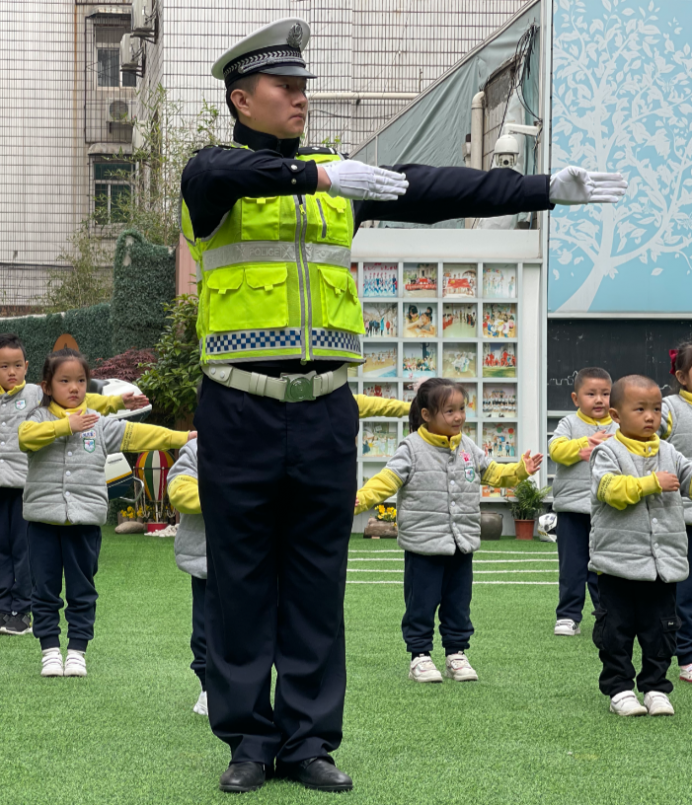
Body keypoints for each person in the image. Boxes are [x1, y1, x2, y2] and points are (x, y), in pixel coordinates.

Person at [180, 16, 625, 793]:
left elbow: (439, 188)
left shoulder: (335, 185)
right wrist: (319, 178)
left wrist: (544, 189)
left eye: (304, 88)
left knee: (318, 579)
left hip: (322, 409)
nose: (301, 100)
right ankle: (249, 742)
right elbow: (217, 174)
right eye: (285, 88)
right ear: (241, 97)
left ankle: (309, 740)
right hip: (239, 409)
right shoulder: (215, 180)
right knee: (242, 580)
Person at [167, 394, 412, 717]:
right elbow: (179, 490)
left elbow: (361, 402)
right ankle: (208, 686)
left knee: (272, 624)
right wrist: (224, 495)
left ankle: (284, 702)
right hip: (208, 563)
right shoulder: (197, 450)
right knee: (209, 630)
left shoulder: (273, 443)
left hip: (264, 558)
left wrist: (411, 406)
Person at [0, 333, 148, 637]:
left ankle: (21, 612)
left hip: (26, 489)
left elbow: (83, 399)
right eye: (4, 366)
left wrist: (116, 402)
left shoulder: (34, 396)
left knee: (22, 551)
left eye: (17, 365)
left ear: (27, 366)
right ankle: (0, 610)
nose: (11, 372)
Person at [17, 348, 194, 679]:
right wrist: (64, 426)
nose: (74, 388)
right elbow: (25, 438)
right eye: (65, 381)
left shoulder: (98, 424)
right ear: (47, 386)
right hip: (42, 521)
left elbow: (139, 434)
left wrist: (181, 437)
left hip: (85, 523)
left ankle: (78, 651)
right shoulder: (38, 419)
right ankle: (50, 651)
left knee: (82, 589)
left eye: (81, 381)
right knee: (44, 589)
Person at [354, 379, 541, 683]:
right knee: (421, 603)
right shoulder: (411, 447)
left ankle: (456, 653)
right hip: (424, 544)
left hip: (461, 542)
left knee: (458, 602)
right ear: (426, 414)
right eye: (449, 411)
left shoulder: (467, 446)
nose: (459, 417)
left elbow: (492, 472)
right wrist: (359, 500)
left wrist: (520, 469)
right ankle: (420, 656)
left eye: (461, 409)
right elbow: (385, 481)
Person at [588, 375, 692, 717]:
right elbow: (611, 491)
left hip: (662, 567)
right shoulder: (607, 452)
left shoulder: (668, 451)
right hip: (618, 566)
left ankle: (655, 688)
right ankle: (619, 688)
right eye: (640, 409)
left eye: (657, 409)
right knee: (615, 631)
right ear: (616, 415)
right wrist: (651, 483)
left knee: (661, 631)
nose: (651, 417)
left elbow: (688, 478)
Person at [548, 367, 616, 636]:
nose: (599, 400)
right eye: (591, 394)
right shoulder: (569, 423)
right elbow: (556, 450)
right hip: (573, 510)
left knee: (605, 567)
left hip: (609, 511)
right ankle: (568, 616)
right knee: (572, 567)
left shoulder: (619, 425)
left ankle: (607, 615)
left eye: (606, 394)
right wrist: (583, 445)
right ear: (576, 398)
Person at [659, 342, 692, 685]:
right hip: (680, 516)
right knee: (684, 591)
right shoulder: (669, 408)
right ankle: (686, 655)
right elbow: (647, 444)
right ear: (681, 376)